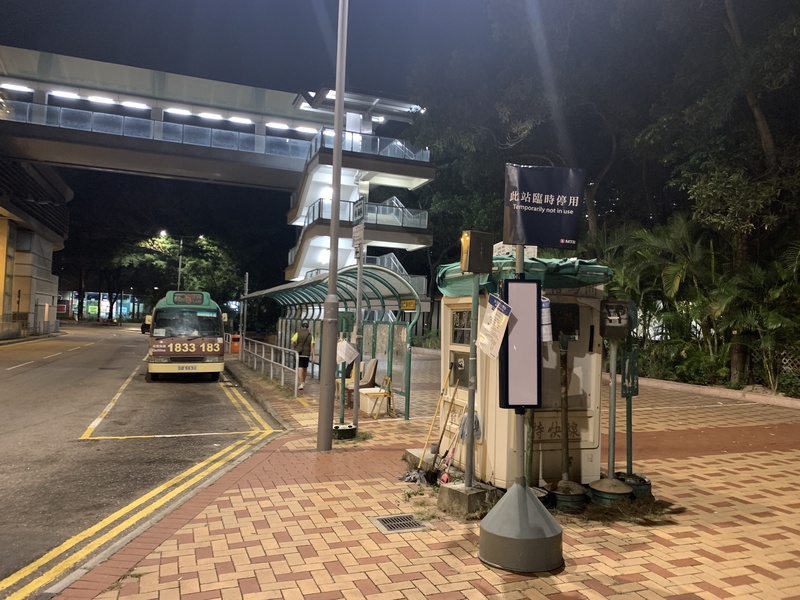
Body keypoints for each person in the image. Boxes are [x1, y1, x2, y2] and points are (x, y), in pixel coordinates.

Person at [291, 321, 315, 390]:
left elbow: (292, 342)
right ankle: (303, 381)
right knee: (305, 368)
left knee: (299, 368)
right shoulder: (310, 335)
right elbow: (312, 346)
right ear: (307, 328)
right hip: (306, 354)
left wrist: (296, 347)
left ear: (301, 327)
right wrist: (313, 355)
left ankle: (301, 383)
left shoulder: (298, 334)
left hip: (299, 353)